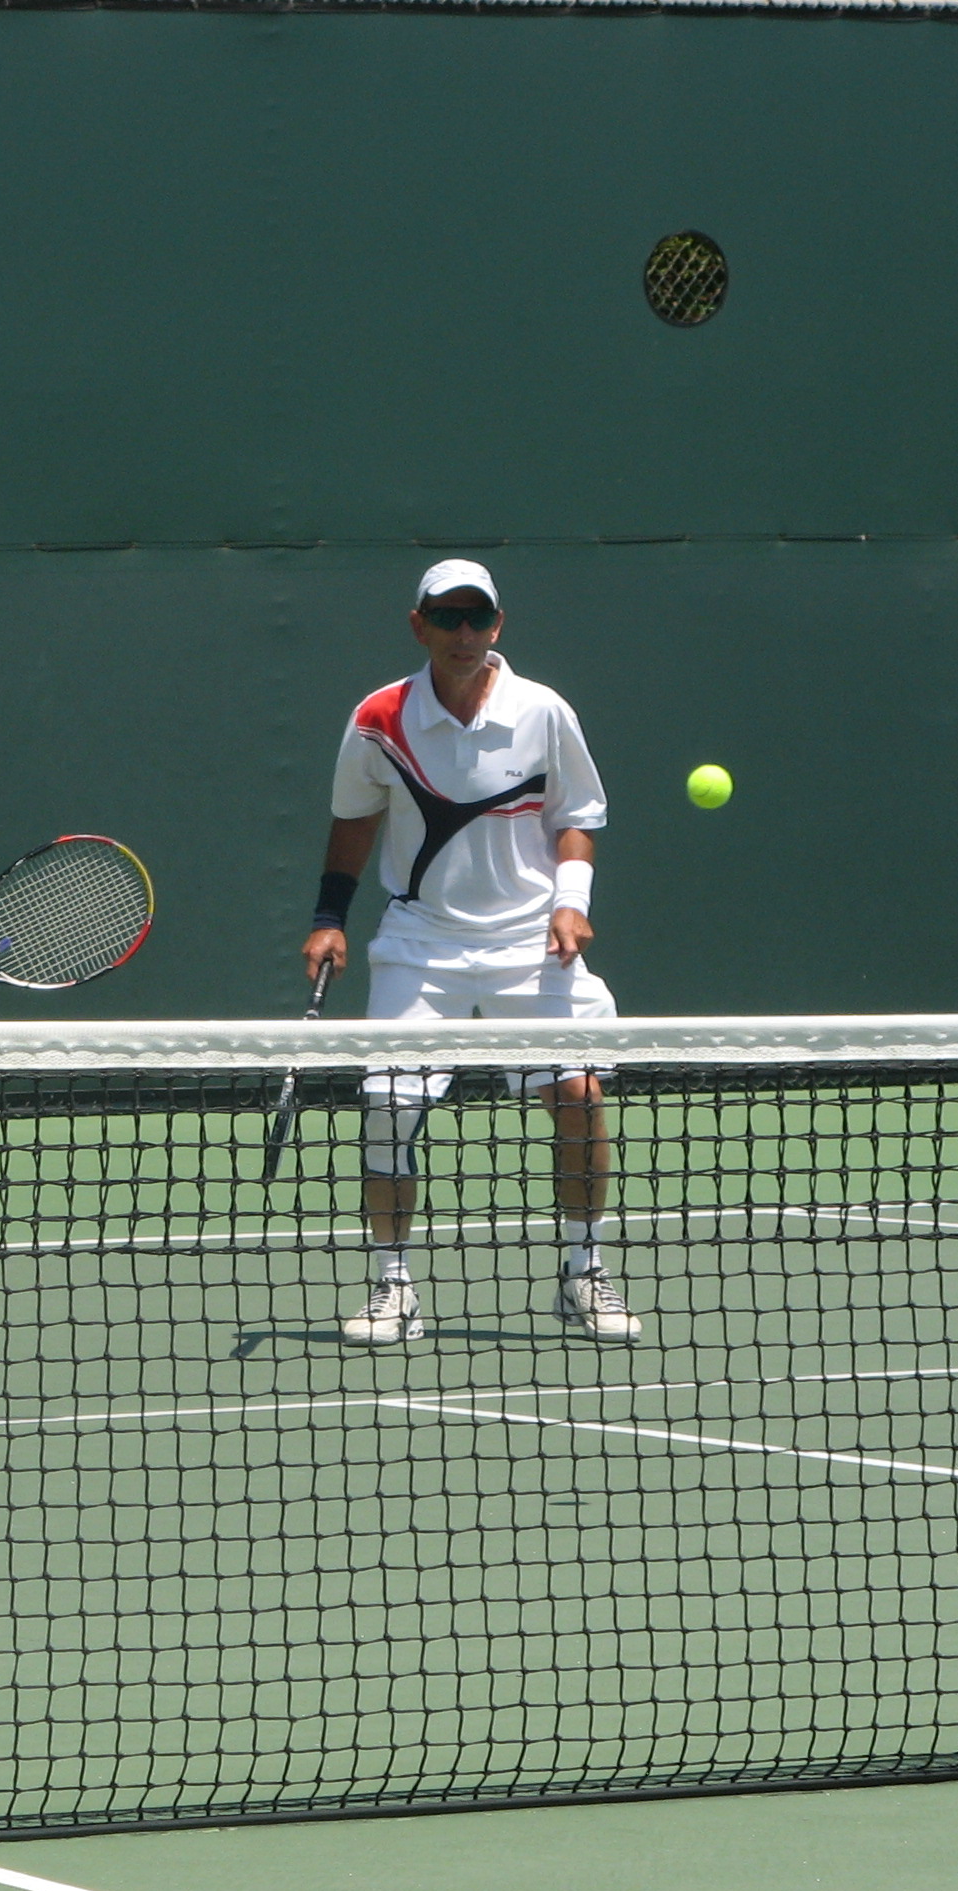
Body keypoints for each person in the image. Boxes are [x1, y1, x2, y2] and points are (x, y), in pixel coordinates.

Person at [301, 560, 641, 1347]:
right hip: (424, 939)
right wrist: (329, 917)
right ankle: (393, 1288)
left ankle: (583, 1270)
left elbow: (578, 815)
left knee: (581, 1096)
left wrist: (570, 903)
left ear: (497, 625)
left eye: (477, 619)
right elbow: (354, 822)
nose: (464, 634)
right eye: (447, 618)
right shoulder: (379, 719)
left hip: (531, 939)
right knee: (388, 1108)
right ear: (418, 623)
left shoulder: (542, 711)